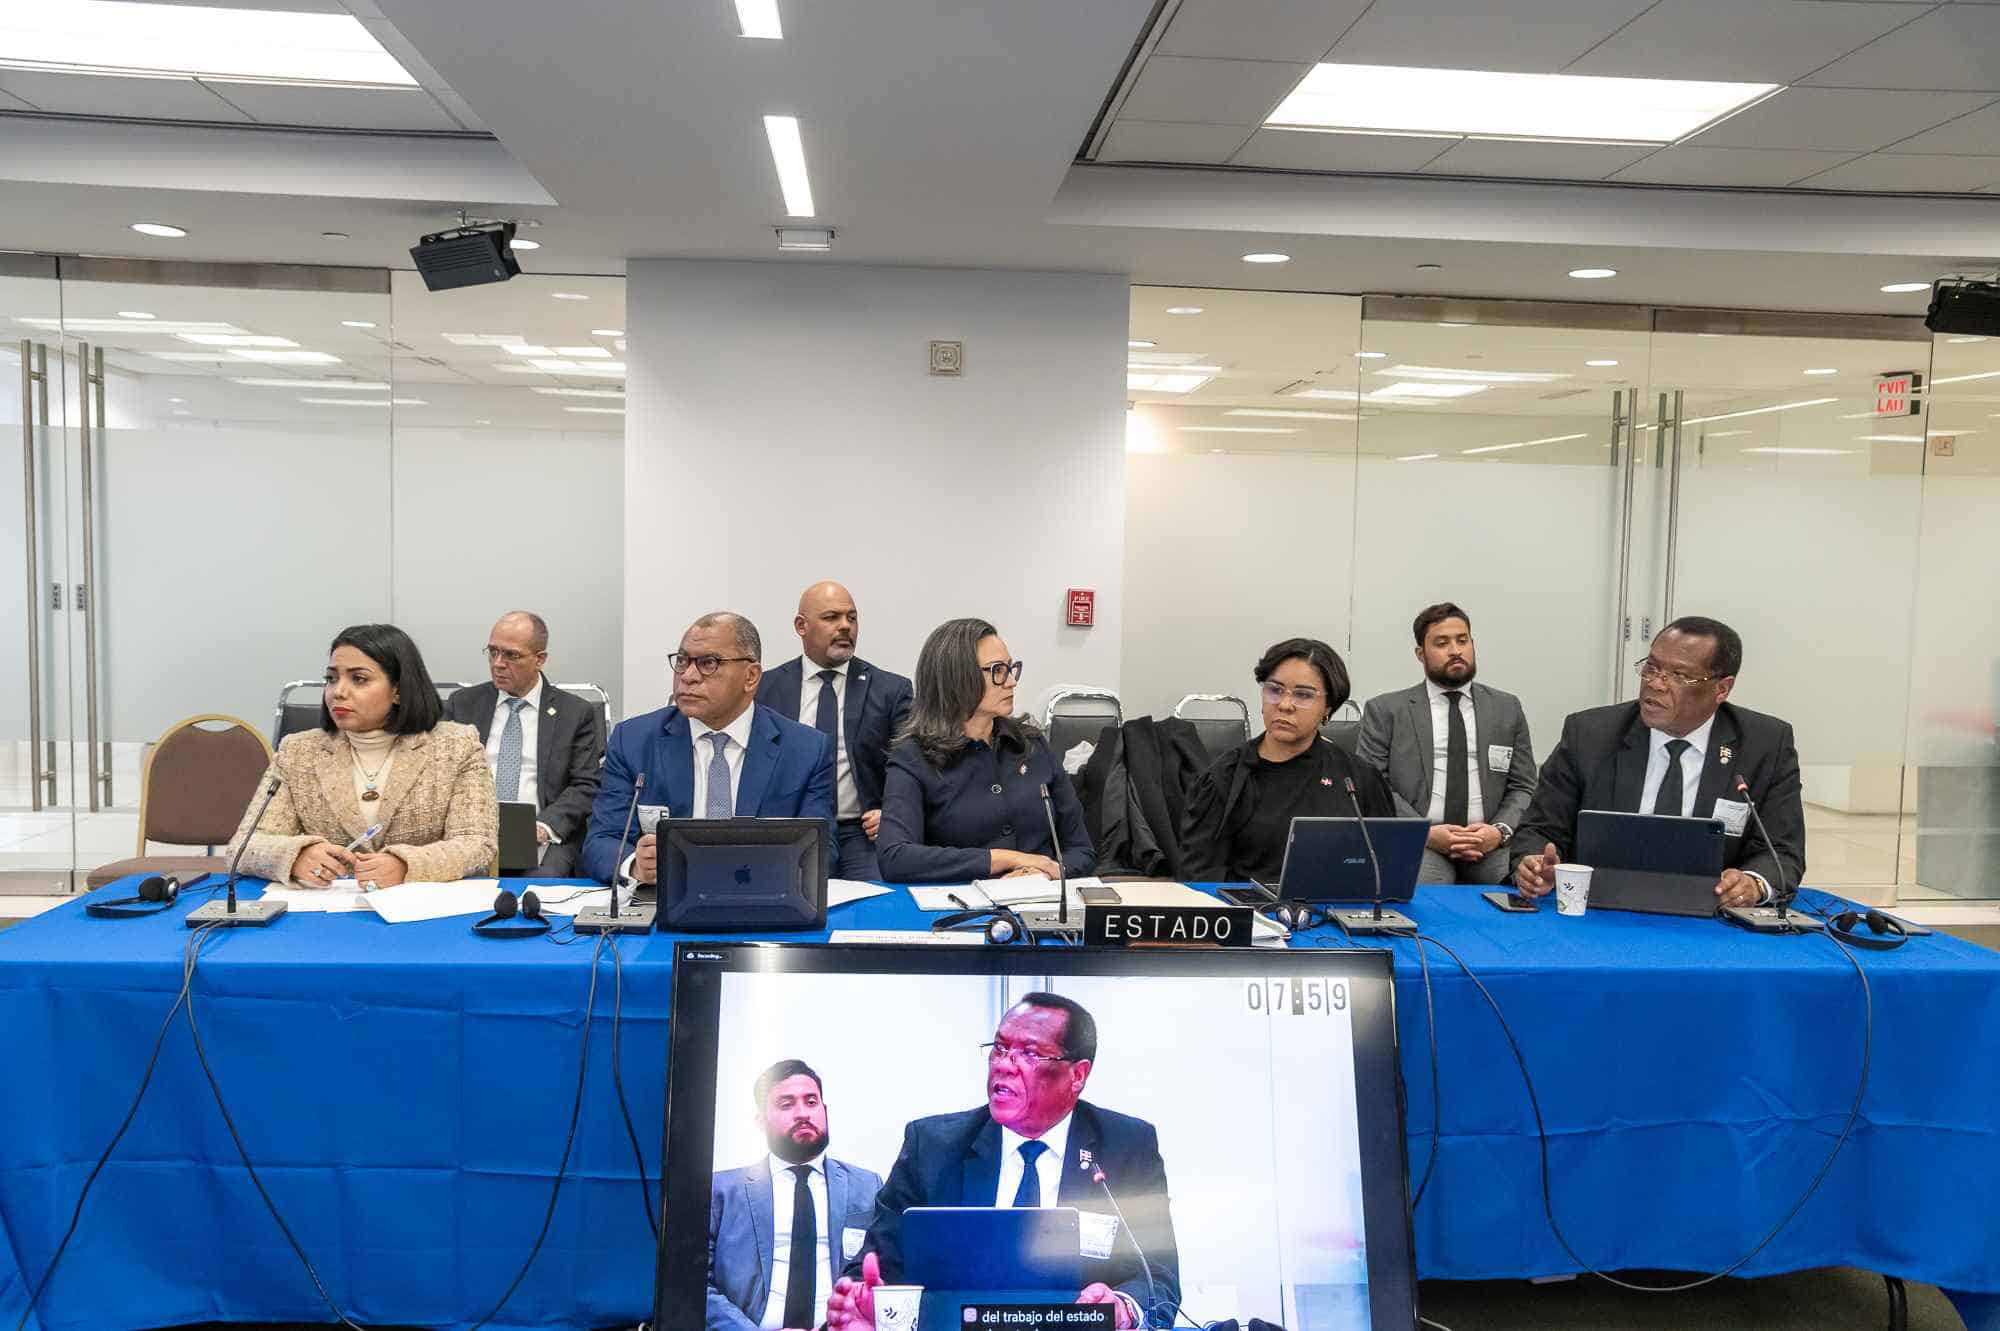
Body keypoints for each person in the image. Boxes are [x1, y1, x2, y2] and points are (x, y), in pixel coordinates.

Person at [829, 994, 1179, 1330]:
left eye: (1029, 1053)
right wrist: (863, 1303)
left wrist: (1121, 1307)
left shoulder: (1125, 1148)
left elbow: (1158, 1277)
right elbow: (877, 1265)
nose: (1003, 1065)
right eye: (999, 1048)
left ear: (1077, 1075)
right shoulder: (933, 1147)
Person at [1511, 616, 1806, 908]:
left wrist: (1753, 883)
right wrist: (1536, 866)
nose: (1655, 684)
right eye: (1651, 668)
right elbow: (1540, 828)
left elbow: (1781, 849)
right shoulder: (1589, 734)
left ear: (1722, 689)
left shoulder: (1765, 744)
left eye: (1679, 675)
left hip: (1711, 920)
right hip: (1599, 912)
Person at [225, 623, 496, 888]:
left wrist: (406, 866)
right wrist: (296, 855)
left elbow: (476, 842)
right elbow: (245, 845)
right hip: (324, 914)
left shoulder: (456, 746)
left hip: (420, 912)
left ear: (398, 691)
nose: (338, 691)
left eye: (359, 679)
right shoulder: (297, 752)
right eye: (331, 678)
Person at [581, 612, 835, 886]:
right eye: (682, 661)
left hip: (761, 898)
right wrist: (635, 865)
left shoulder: (806, 750)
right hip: (665, 899)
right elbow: (602, 840)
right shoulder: (633, 741)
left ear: (751, 677)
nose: (688, 676)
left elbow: (823, 852)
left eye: (708, 663)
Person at [875, 618, 1094, 883]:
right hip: (961, 907)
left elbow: (1082, 849)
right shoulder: (914, 756)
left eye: (1012, 668)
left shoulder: (1032, 745)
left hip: (1043, 902)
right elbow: (896, 857)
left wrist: (1046, 872)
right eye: (998, 670)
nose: (1011, 681)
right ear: (957, 678)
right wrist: (1007, 859)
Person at [1179, 637, 1394, 885]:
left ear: (1328, 707)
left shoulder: (1357, 779)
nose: (1284, 705)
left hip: (1337, 910)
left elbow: (1384, 870)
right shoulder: (1224, 779)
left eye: (1303, 695)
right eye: (1275, 690)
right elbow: (1199, 880)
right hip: (1251, 914)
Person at [1356, 602, 1537, 885]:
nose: (1455, 650)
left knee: (1516, 888)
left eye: (1462, 640)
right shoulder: (1386, 710)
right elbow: (1373, 785)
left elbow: (1523, 785)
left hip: (1489, 843)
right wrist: (1424, 832)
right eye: (1442, 643)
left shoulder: (1506, 708)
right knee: (1428, 895)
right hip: (1423, 841)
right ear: (1421, 654)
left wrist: (1498, 831)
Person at [709, 1060, 884, 1331]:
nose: (802, 1113)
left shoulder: (867, 1186)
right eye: (786, 1104)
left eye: (812, 1102)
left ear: (825, 1111)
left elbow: (882, 1270)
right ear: (760, 1121)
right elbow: (696, 1284)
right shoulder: (722, 1192)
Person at [756, 581, 913, 881]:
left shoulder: (891, 690)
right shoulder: (766, 688)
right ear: (801, 626)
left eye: (851, 618)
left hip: (862, 833)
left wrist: (894, 812)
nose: (845, 626)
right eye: (832, 617)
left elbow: (909, 765)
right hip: (792, 831)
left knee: (875, 907)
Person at [444, 611, 604, 876]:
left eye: (511, 655)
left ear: (540, 659)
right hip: (470, 833)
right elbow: (441, 775)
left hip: (540, 834)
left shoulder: (574, 713)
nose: (498, 663)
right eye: (493, 652)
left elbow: (585, 786)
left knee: (540, 888)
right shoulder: (463, 704)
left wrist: (544, 827)